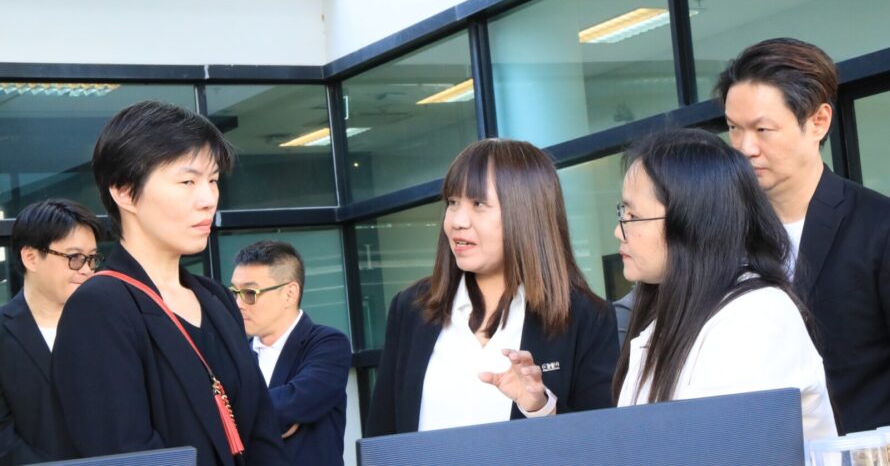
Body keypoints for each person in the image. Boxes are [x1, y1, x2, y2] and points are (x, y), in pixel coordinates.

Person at [51, 101, 288, 465]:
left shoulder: (216, 299)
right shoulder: (99, 307)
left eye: (213, 180)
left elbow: (262, 431)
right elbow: (126, 453)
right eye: (187, 181)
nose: (208, 199)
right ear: (124, 191)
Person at [365, 138, 619, 437]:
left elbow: (601, 442)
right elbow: (381, 435)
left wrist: (541, 407)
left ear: (526, 213)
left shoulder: (586, 317)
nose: (457, 221)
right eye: (452, 203)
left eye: (478, 204)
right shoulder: (412, 307)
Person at [613, 129, 837, 442]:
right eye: (622, 213)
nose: (618, 231)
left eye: (633, 215)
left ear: (692, 222)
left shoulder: (755, 318)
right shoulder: (676, 312)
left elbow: (719, 449)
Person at [716, 38, 890, 433]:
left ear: (818, 122)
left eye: (763, 129)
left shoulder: (877, 228)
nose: (744, 148)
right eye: (733, 129)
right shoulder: (722, 239)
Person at [230, 240, 351, 466]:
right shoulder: (234, 353)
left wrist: (233, 416)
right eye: (234, 293)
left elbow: (300, 399)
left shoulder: (327, 344)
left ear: (289, 293)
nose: (239, 303)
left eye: (249, 293)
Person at [0, 199, 103, 465]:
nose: (86, 270)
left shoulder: (108, 325)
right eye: (74, 258)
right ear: (31, 257)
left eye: (92, 259)